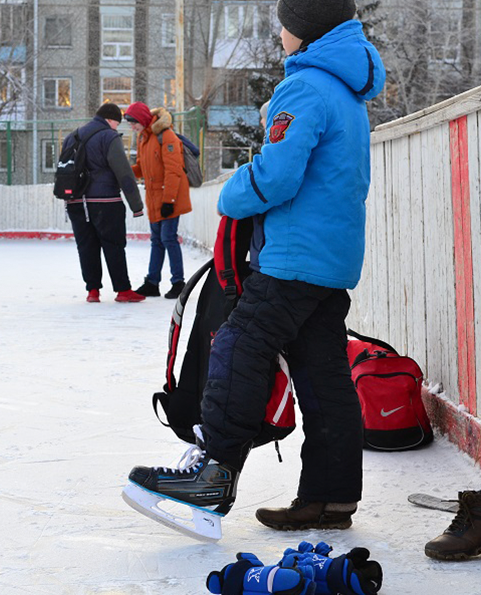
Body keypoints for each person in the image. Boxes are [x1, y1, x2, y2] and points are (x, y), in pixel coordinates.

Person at [122, 0, 386, 541]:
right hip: (330, 261)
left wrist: (231, 193)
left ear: (306, 29)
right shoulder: (346, 92)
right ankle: (329, 496)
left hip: (292, 259)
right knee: (322, 373)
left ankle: (213, 475)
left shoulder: (307, 86)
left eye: (284, 23)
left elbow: (278, 176)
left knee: (239, 342)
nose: (279, 32)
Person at [61, 102, 146, 303]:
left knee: (86, 245)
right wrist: (136, 205)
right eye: (117, 123)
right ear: (110, 120)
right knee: (113, 245)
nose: (117, 127)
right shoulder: (108, 136)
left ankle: (92, 291)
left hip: (75, 202)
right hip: (105, 202)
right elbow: (124, 172)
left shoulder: (72, 136)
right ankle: (123, 290)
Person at [123, 102, 191, 300]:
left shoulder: (165, 135)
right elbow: (142, 168)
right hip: (154, 197)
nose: (132, 127)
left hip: (170, 196)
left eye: (133, 123)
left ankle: (178, 282)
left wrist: (169, 200)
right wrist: (123, 172)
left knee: (168, 238)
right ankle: (152, 282)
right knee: (156, 240)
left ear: (142, 120)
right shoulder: (143, 137)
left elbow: (174, 170)